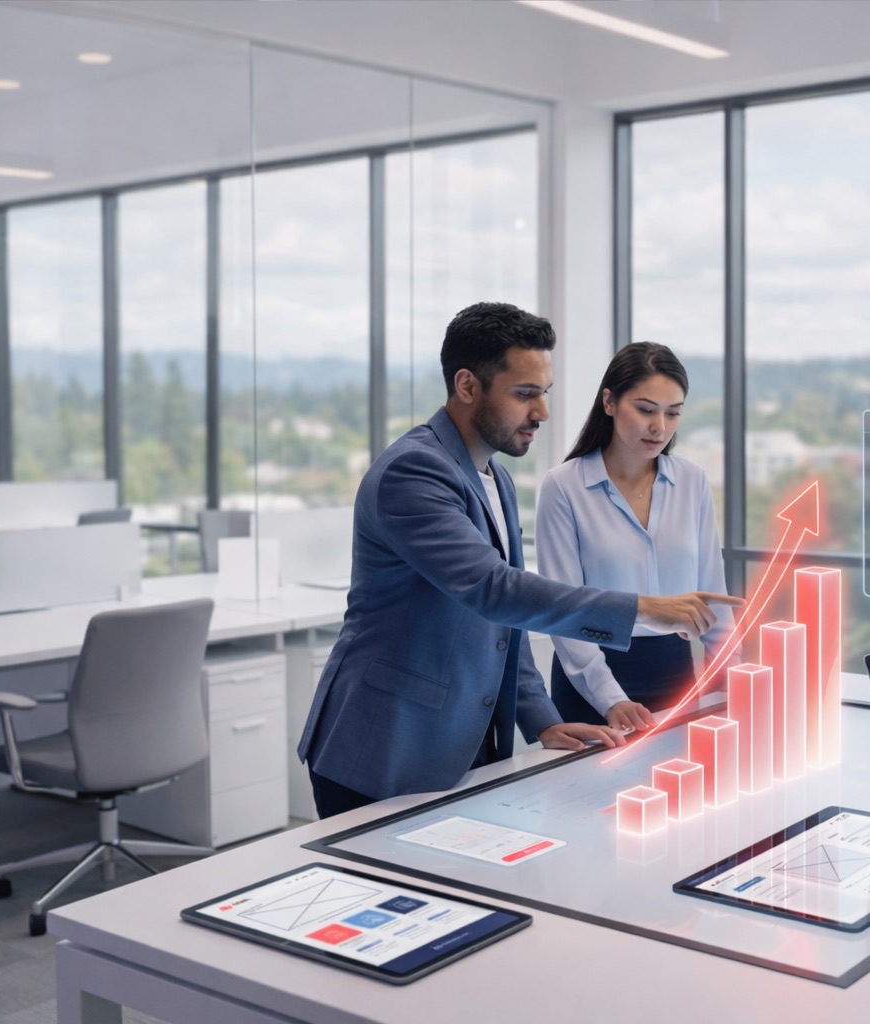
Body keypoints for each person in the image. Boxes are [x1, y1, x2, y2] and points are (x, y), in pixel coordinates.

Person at [296, 303, 739, 818]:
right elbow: (495, 590)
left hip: (468, 743)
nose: (543, 413)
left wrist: (541, 719)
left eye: (544, 394)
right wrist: (644, 608)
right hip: (388, 745)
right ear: (467, 386)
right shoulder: (413, 471)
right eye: (525, 394)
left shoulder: (495, 477)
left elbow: (505, 625)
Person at [536, 342, 735, 733]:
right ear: (609, 402)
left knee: (681, 790)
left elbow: (714, 594)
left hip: (676, 671)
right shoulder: (563, 487)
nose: (659, 426)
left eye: (673, 413)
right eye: (645, 410)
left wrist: (733, 677)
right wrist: (611, 698)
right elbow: (563, 608)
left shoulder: (692, 480)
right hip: (590, 682)